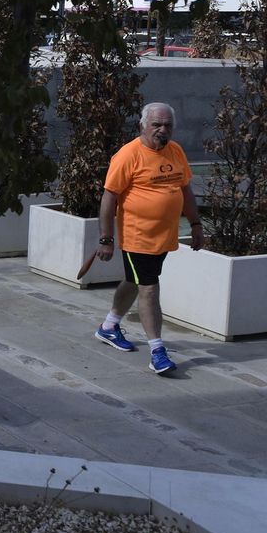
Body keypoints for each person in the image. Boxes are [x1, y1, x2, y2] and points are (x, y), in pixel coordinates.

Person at [92, 102, 204, 375]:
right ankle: (157, 351)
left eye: (167, 125)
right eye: (156, 125)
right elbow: (109, 198)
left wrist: (196, 224)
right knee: (149, 288)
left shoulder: (175, 151)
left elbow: (185, 190)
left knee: (134, 281)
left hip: (164, 237)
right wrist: (106, 238)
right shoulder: (128, 155)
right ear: (143, 125)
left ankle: (108, 326)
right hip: (136, 236)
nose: (162, 130)